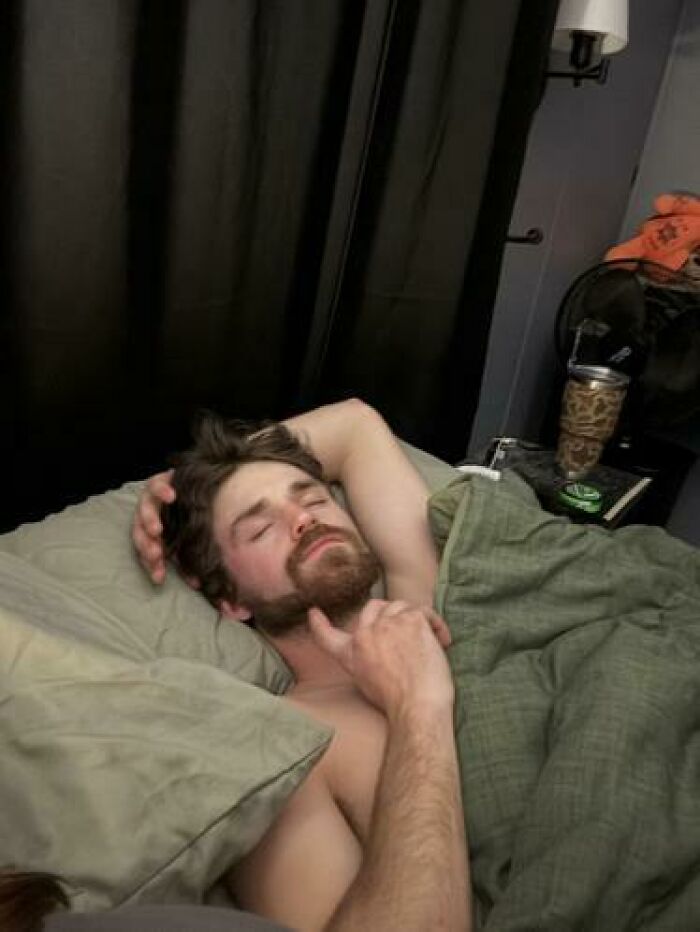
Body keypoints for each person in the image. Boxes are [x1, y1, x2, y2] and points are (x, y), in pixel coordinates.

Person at [132, 399, 471, 932]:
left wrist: (179, 482)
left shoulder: (424, 596)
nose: (303, 520)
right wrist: (419, 706)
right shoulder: (280, 751)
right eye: (259, 529)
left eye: (311, 497)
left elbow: (355, 425)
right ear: (231, 601)